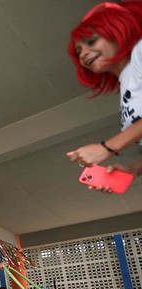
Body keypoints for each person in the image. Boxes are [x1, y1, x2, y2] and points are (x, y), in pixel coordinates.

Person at [66, 1, 142, 191]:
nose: (83, 54)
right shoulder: (128, 85)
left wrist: (107, 147)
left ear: (117, 33)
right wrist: (133, 170)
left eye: (91, 41)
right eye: (78, 51)